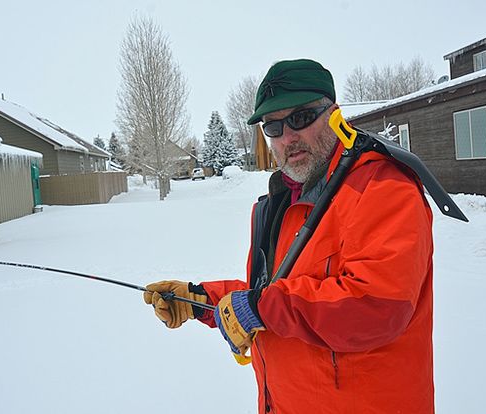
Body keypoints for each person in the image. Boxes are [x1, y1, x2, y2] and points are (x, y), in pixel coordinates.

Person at [144, 59, 434, 413]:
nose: (287, 137)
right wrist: (202, 301)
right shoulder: (280, 203)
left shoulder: (382, 187)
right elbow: (277, 291)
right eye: (274, 127)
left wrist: (258, 308)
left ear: (335, 115)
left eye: (300, 118)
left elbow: (376, 305)